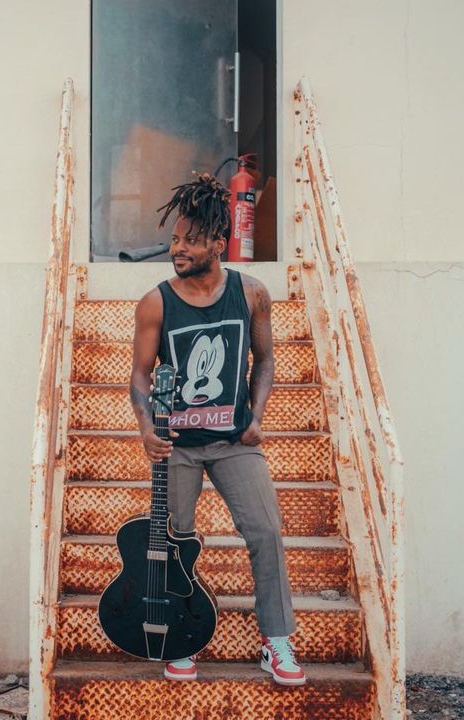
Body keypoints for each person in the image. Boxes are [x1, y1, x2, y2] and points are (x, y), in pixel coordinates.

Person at [128, 171, 306, 687]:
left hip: (234, 442)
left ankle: (276, 640)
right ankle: (181, 638)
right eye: (175, 239)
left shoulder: (252, 294)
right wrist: (146, 428)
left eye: (189, 240)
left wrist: (258, 416)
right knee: (174, 542)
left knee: (266, 532)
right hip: (177, 447)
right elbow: (139, 375)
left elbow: (265, 360)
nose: (177, 248)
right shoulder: (156, 302)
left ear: (217, 242)